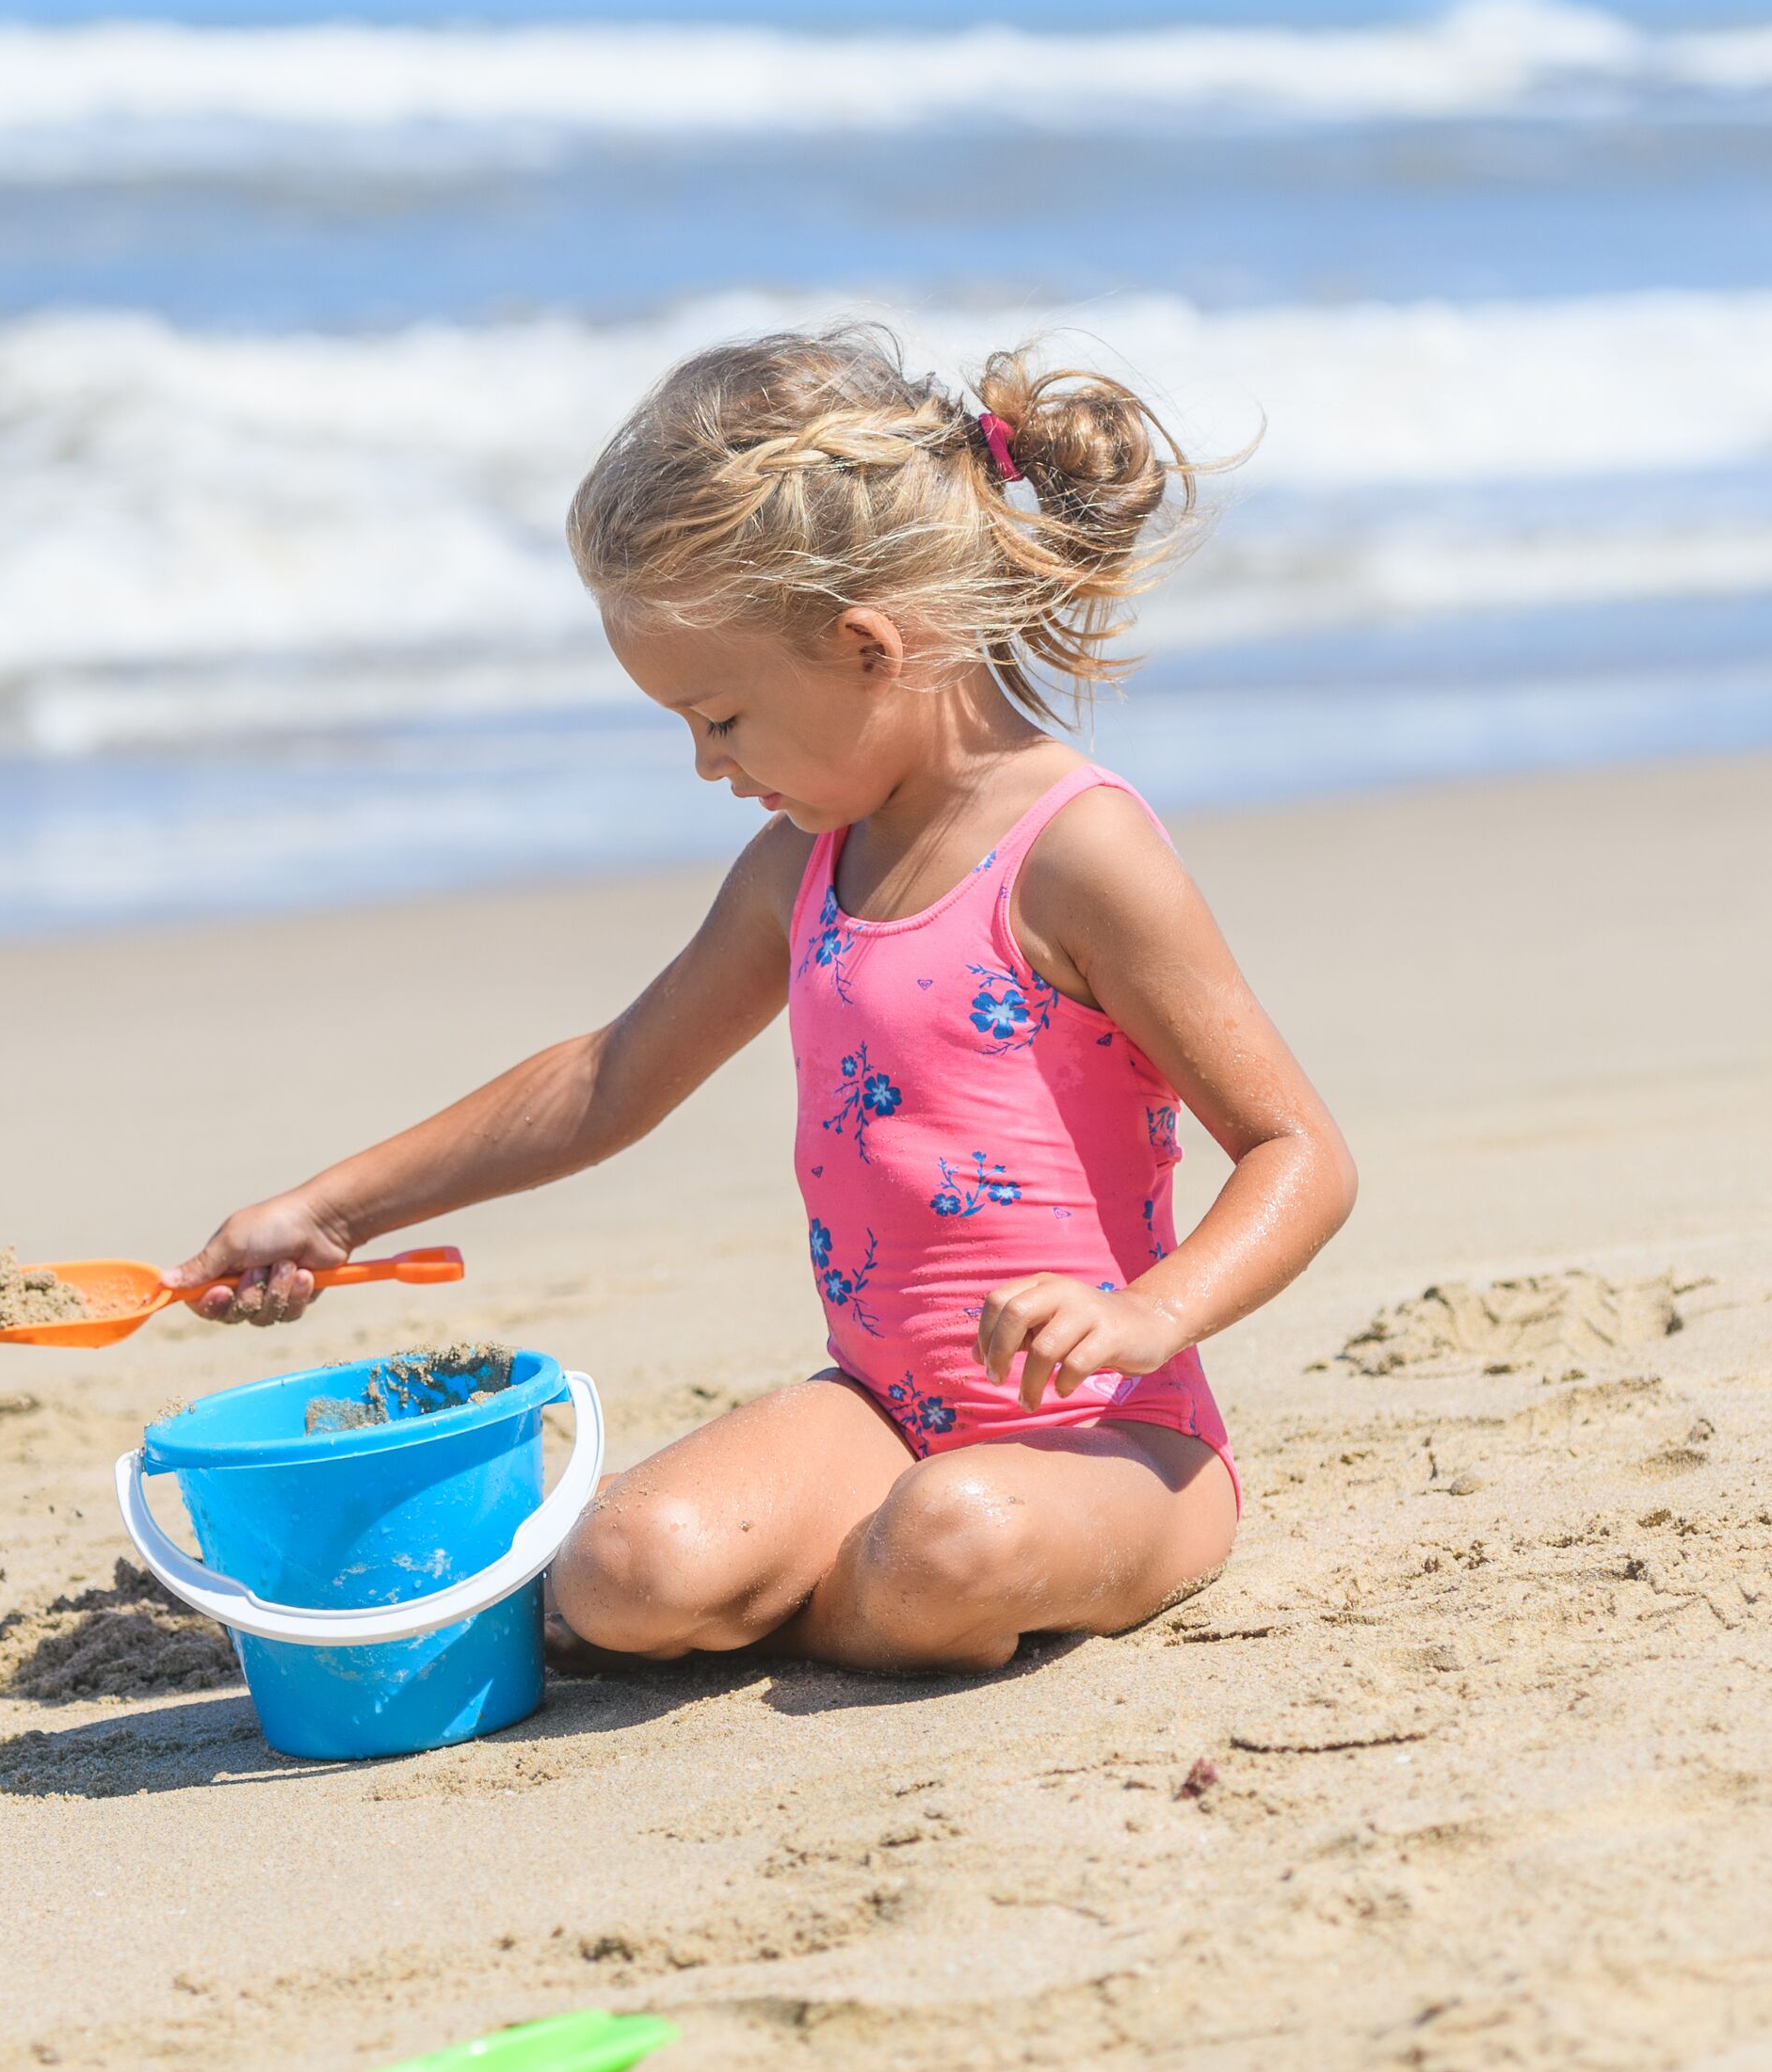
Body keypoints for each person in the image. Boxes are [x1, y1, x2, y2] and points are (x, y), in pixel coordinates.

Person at [175, 325, 1353, 1674]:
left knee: (951, 1541)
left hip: (1117, 1443)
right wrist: (330, 1211)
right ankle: (851, 1588)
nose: (702, 762)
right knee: (626, 1570)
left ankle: (860, 1589)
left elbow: (1299, 1154)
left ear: (865, 647)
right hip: (884, 1413)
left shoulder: (1079, 854)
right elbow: (611, 1080)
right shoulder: (799, 867)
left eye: (721, 717)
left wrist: (1152, 1314)